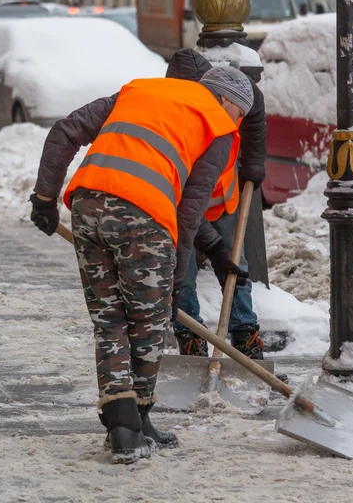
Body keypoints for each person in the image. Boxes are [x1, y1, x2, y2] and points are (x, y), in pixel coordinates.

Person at [30, 66, 251, 464]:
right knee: (148, 322)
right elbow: (188, 210)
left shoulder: (140, 92)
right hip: (143, 218)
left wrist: (44, 199)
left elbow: (64, 131)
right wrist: (173, 284)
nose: (237, 124)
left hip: (88, 205)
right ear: (226, 102)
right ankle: (135, 424)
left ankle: (125, 424)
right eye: (240, 115)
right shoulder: (217, 125)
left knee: (109, 319)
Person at [164, 49, 267, 359]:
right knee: (183, 271)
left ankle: (245, 336)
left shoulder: (230, 92)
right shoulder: (169, 113)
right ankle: (191, 338)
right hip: (180, 206)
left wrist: (254, 161)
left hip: (222, 199)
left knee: (236, 268)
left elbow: (256, 105)